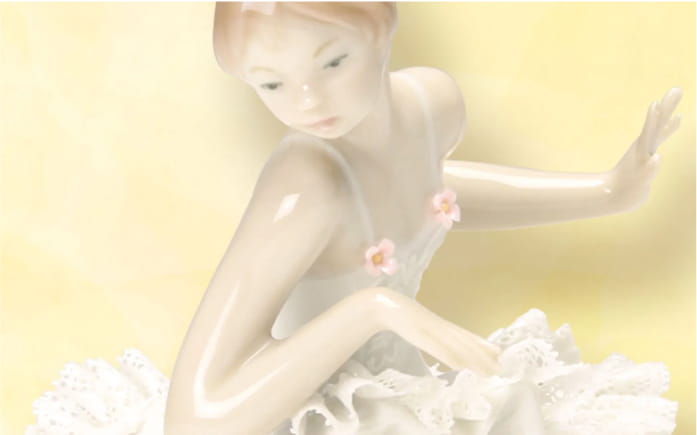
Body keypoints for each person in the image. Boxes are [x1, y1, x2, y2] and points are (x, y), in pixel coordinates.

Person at [26, 2, 680, 434]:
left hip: (404, 395)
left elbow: (428, 194)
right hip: (295, 412)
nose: (308, 100)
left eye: (333, 62)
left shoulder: (432, 105)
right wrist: (373, 309)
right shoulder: (305, 184)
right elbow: (194, 419)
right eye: (271, 83)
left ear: (381, 29)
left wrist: (605, 191)